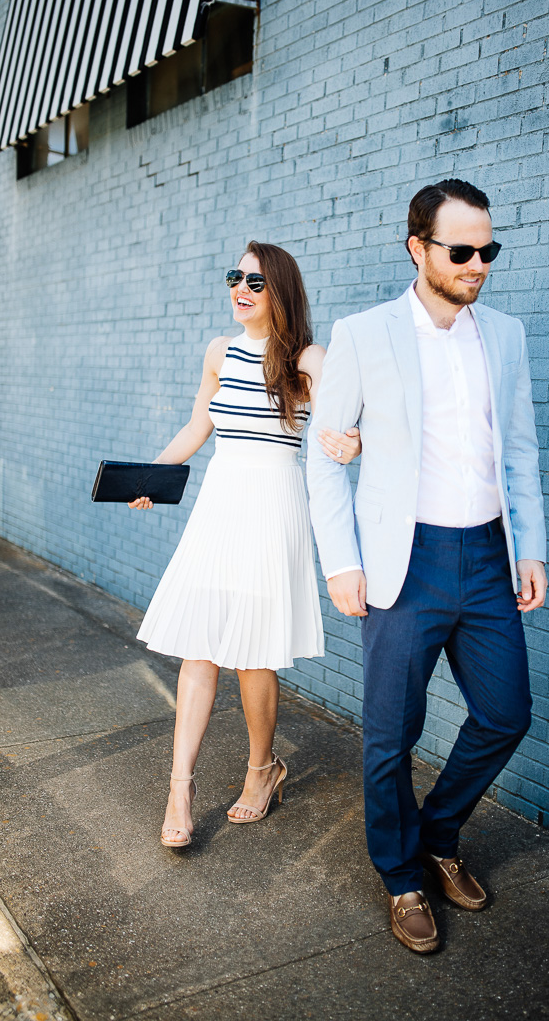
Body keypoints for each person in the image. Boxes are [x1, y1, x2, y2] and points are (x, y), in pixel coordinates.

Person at [308, 179, 547, 953]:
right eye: (462, 250)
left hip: (485, 555)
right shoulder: (364, 333)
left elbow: (519, 450)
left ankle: (438, 834)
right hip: (401, 562)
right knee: (390, 735)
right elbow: (326, 451)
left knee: (507, 713)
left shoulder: (504, 334)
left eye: (489, 249)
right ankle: (402, 877)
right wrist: (341, 562)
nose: (479, 263)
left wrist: (531, 544)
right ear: (418, 249)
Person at [131, 241, 360, 848]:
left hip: (274, 507)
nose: (241, 289)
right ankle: (180, 787)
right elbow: (198, 424)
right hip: (219, 507)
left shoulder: (310, 358)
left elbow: (353, 422)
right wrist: (152, 474)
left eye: (256, 282)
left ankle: (263, 769)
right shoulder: (218, 351)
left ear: (281, 291)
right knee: (199, 648)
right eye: (235, 277)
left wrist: (356, 442)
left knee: (253, 654)